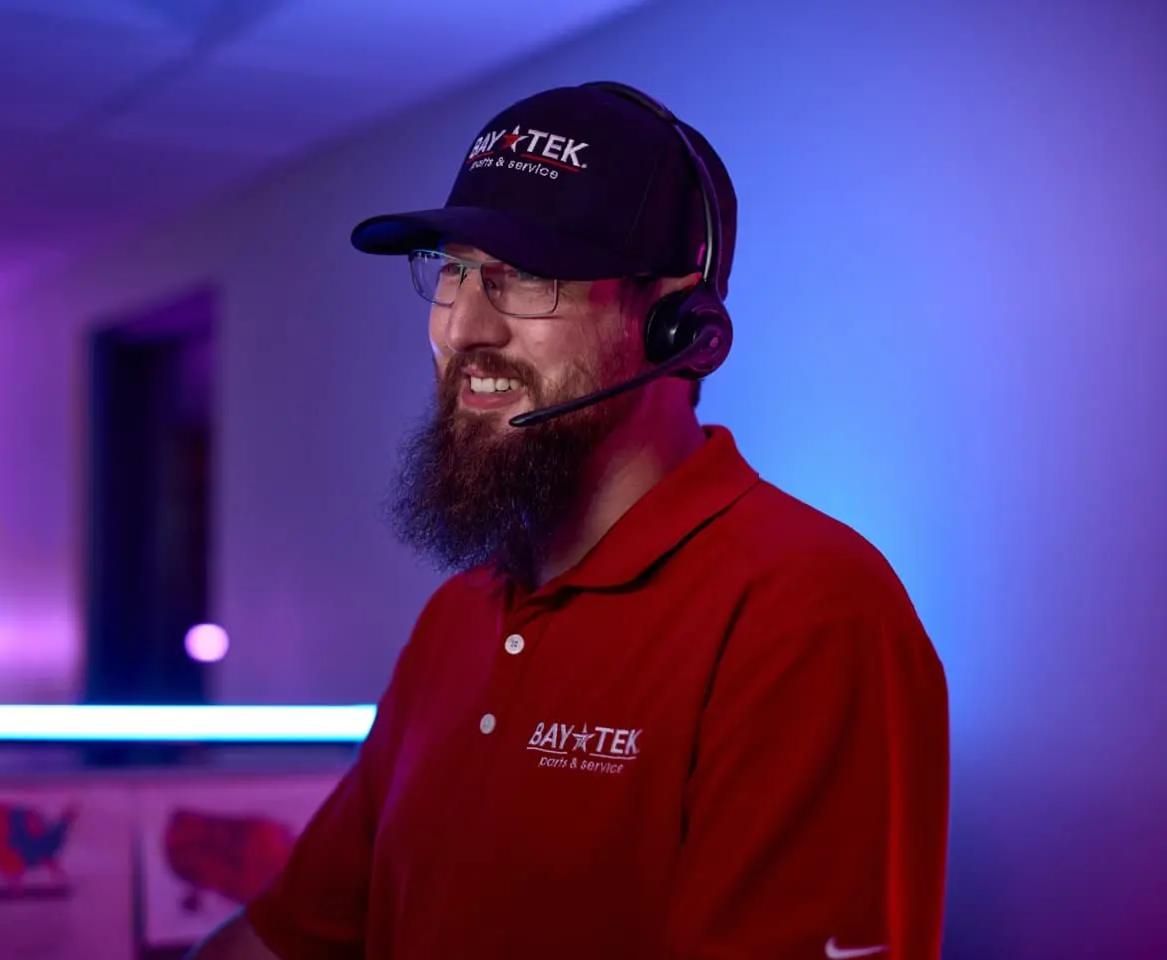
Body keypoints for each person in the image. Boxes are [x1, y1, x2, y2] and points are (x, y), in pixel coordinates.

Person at [189, 81, 950, 959]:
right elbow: (295, 937)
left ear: (677, 322)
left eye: (530, 279)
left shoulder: (807, 610)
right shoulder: (462, 613)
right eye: (454, 270)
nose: (462, 328)